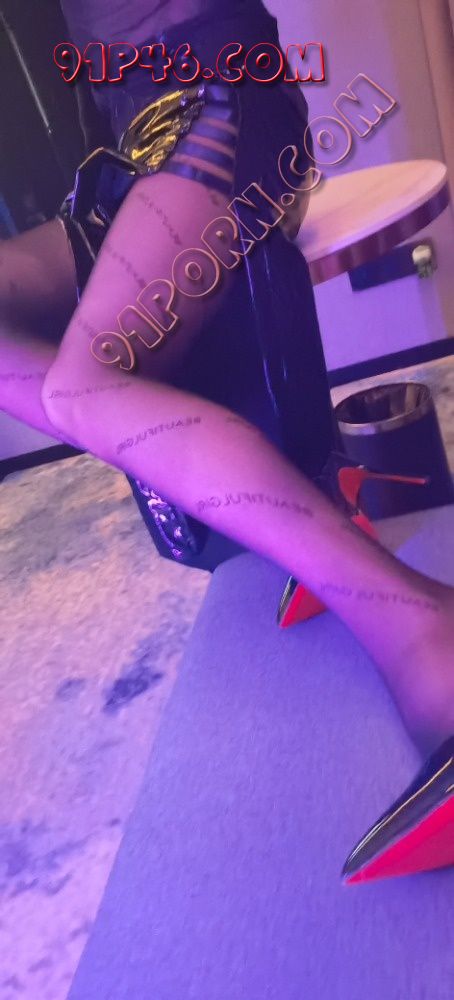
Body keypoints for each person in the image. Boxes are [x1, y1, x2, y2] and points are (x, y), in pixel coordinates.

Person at [1, 0, 453, 876]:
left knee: (88, 386)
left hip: (220, 106)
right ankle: (287, 492)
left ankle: (427, 638)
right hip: (127, 162)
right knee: (87, 391)